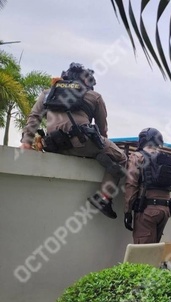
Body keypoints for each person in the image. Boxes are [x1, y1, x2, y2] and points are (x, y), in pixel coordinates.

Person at [20, 62, 126, 219]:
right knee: (121, 157)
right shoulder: (93, 96)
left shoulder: (48, 93)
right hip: (82, 143)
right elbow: (102, 130)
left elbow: (34, 116)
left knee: (96, 149)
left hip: (53, 145)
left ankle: (98, 156)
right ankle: (103, 199)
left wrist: (26, 142)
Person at [123, 128, 171, 243]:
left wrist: (127, 211)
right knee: (154, 249)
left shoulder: (137, 157)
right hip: (165, 210)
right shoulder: (165, 159)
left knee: (143, 252)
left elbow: (131, 185)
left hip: (147, 210)